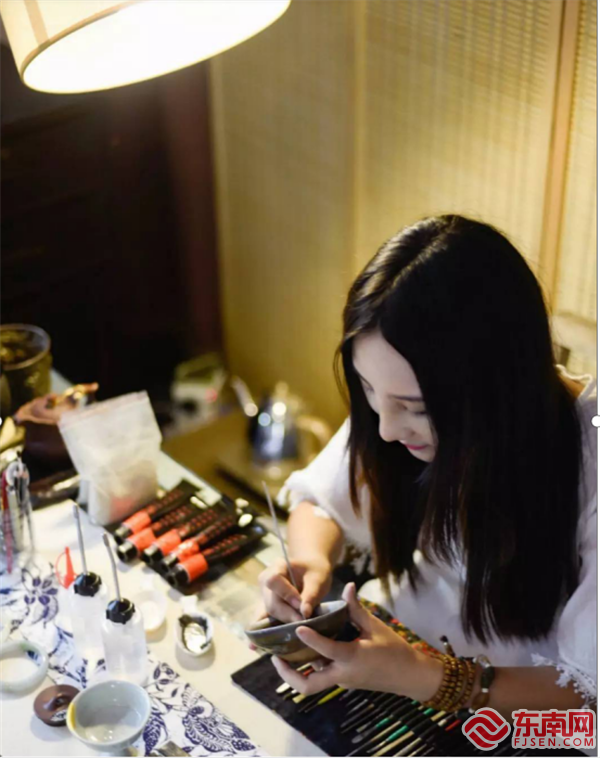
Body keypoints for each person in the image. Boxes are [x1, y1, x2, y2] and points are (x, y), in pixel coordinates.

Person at [258, 214, 597, 718]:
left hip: (510, 712)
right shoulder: (399, 399)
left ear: (497, 386)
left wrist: (422, 676)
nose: (387, 429)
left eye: (415, 408)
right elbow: (323, 502)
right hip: (397, 645)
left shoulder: (588, 460)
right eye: (368, 390)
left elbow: (588, 694)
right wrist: (311, 561)